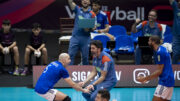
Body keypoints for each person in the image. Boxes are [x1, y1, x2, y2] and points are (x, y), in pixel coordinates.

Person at [137, 35, 174, 101]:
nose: (148, 42)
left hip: (165, 82)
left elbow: (159, 71)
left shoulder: (160, 52)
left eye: (149, 41)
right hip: (169, 80)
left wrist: (144, 78)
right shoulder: (162, 48)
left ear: (153, 42)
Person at [68, 0, 96, 65]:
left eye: (87, 0)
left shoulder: (92, 14)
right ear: (81, 2)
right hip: (75, 37)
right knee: (70, 56)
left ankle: (85, 73)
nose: (85, 1)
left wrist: (88, 27)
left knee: (85, 58)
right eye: (83, 0)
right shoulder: (77, 9)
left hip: (85, 39)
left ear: (89, 2)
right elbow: (70, 2)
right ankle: (68, 73)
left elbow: (94, 27)